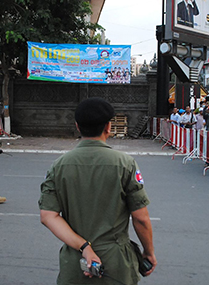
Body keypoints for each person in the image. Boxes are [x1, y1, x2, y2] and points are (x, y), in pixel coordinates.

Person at [39, 97, 156, 284]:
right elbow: (141, 218)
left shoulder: (59, 166)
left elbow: (48, 216)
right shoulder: (125, 164)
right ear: (108, 127)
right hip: (116, 262)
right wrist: (148, 252)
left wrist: (84, 246)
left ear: (78, 126)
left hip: (76, 262)